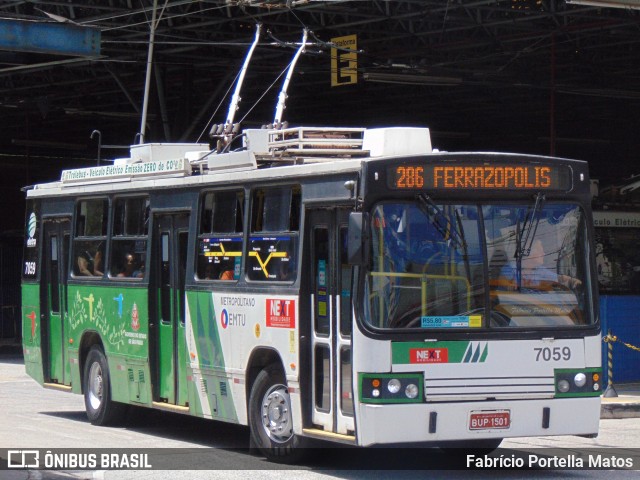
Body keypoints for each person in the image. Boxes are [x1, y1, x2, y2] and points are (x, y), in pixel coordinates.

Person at [499, 239, 581, 291]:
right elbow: (504, 283)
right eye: (540, 251)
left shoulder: (540, 270)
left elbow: (559, 278)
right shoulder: (510, 267)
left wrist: (573, 280)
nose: (544, 253)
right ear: (530, 253)